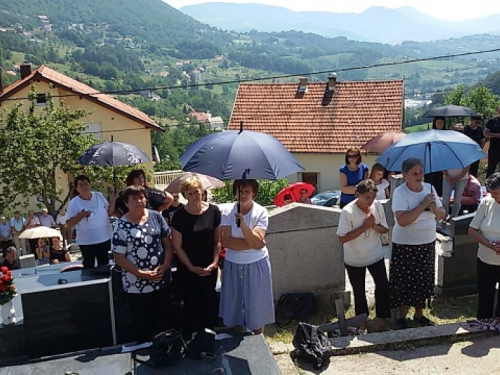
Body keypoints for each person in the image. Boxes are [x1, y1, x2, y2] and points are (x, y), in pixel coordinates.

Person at [112, 185, 173, 344]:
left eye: (141, 197)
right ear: (126, 203)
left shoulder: (156, 217)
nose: (139, 201)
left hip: (161, 280)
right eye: (134, 198)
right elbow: (118, 257)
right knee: (143, 326)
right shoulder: (121, 225)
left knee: (164, 322)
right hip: (136, 285)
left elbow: (168, 244)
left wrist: (165, 265)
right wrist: (141, 273)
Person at [390, 158, 446, 329]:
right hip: (405, 244)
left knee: (423, 280)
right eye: (415, 173)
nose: (419, 176)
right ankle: (401, 317)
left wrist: (434, 207)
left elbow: (442, 214)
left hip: (427, 242)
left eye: (421, 172)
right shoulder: (400, 193)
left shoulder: (430, 188)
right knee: (404, 281)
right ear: (405, 175)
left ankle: (419, 314)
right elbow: (403, 220)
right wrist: (423, 205)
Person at [220, 179, 275, 334]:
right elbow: (226, 241)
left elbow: (258, 243)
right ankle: (240, 338)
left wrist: (244, 226)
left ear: (254, 194)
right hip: (233, 263)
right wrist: (251, 242)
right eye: (239, 191)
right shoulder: (226, 211)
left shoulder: (261, 212)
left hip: (256, 263)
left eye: (247, 192)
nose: (242, 195)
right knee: (235, 304)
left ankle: (259, 340)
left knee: (256, 305)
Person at [337, 179, 391, 332]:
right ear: (357, 195)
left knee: (383, 286)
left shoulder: (377, 206)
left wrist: (373, 225)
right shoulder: (348, 211)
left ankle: (381, 320)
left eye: (373, 197)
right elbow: (342, 238)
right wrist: (364, 227)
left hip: (375, 253)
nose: (370, 201)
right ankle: (362, 322)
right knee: (359, 290)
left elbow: (384, 230)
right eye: (367, 197)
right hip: (354, 257)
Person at [171, 177, 221, 335]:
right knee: (191, 306)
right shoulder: (179, 216)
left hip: (209, 268)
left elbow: (217, 241)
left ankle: (208, 339)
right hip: (188, 269)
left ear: (202, 192)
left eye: (197, 192)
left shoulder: (214, 211)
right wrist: (191, 267)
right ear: (185, 196)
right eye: (190, 193)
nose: (194, 196)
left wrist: (214, 262)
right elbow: (177, 247)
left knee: (209, 304)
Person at [66, 175, 116, 269]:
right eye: (81, 185)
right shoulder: (74, 203)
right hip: (87, 242)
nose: (84, 187)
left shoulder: (99, 196)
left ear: (90, 184)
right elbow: (68, 224)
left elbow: (109, 213)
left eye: (86, 184)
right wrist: (81, 215)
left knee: (105, 266)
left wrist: (113, 200)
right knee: (89, 267)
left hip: (104, 238)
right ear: (77, 188)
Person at [468, 172, 500, 319]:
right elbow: (472, 230)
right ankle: (483, 327)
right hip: (485, 259)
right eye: (492, 193)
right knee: (485, 297)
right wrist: (488, 244)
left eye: (497, 193)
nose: (494, 196)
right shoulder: (486, 202)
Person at [424, 116, 447, 196]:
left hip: (441, 162)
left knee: (439, 183)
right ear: (435, 123)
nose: (440, 124)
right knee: (429, 182)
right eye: (438, 122)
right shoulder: (430, 134)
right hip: (431, 161)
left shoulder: (446, 135)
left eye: (442, 122)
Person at [485, 106, 500, 178]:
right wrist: (497, 135)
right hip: (494, 150)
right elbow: (486, 133)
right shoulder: (492, 121)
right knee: (491, 170)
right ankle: (488, 187)